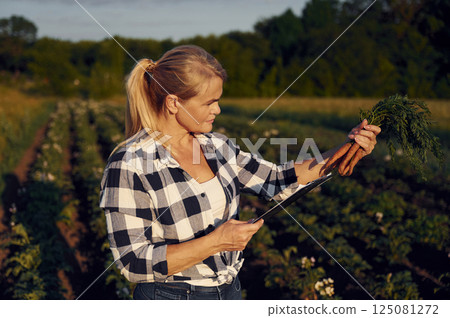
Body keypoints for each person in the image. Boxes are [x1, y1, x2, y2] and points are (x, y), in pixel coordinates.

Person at [99, 45, 381, 300]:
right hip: (169, 296)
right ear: (174, 103)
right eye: (209, 102)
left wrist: (345, 148)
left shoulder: (217, 146)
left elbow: (275, 180)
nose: (218, 110)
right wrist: (215, 242)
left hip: (229, 290)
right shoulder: (129, 164)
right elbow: (133, 262)